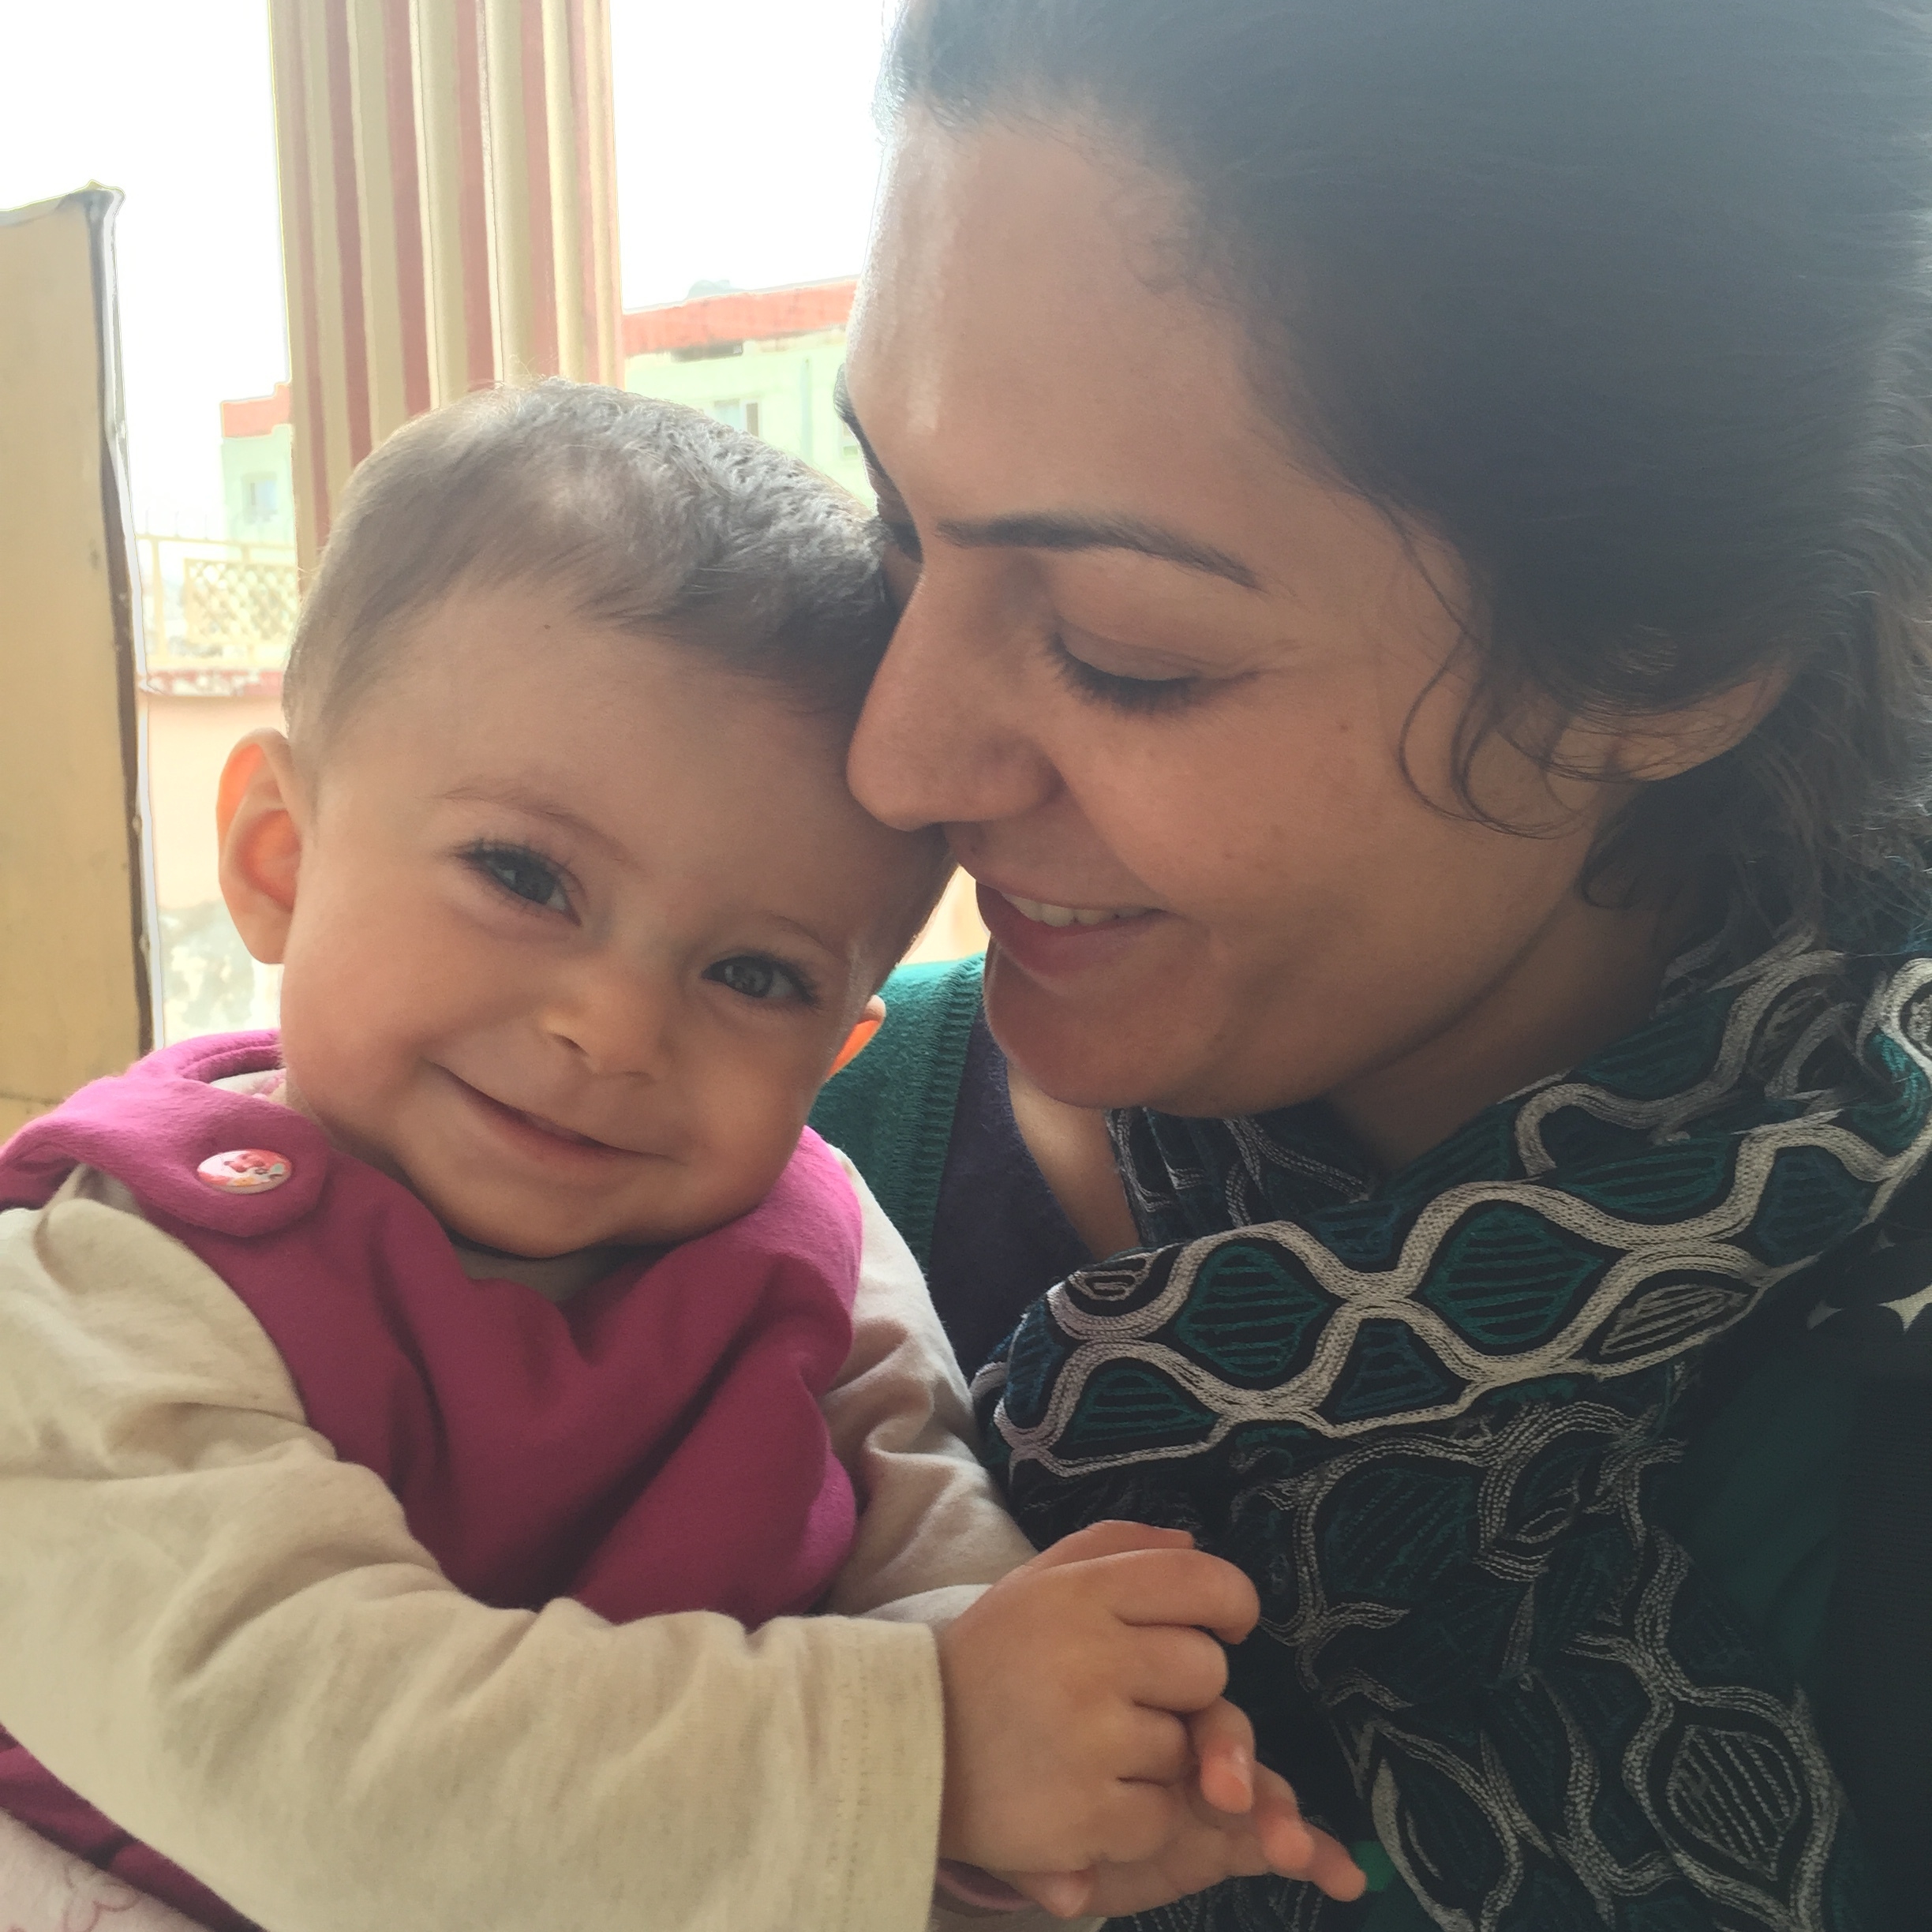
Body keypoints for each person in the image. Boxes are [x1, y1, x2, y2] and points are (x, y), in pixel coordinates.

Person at [813, 1, 1932, 1926]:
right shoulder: (756, 1166)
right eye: (897, 532)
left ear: (1656, 664)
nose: (895, 762)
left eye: (1126, 644)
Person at [0, 384, 1365, 1932]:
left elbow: (916, 1543)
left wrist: (1062, 1766)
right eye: (525, 877)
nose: (615, 1024)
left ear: (837, 1047)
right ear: (279, 861)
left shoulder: (812, 1239)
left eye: (757, 976)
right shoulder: (96, 1290)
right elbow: (324, 1772)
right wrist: (924, 1748)